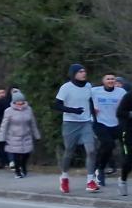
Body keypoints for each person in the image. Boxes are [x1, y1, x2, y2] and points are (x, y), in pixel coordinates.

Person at [53, 63, 99, 194]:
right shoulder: (66, 87)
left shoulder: (88, 86)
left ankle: (90, 180)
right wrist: (73, 110)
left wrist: (94, 118)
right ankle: (64, 177)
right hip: (70, 123)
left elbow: (90, 101)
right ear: (73, 74)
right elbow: (57, 105)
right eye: (80, 72)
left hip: (86, 122)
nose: (83, 73)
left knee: (91, 150)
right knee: (69, 151)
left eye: (84, 71)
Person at [90, 73, 126, 187]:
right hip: (99, 122)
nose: (110, 80)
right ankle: (99, 170)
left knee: (110, 147)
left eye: (112, 79)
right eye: (108, 79)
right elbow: (83, 100)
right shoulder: (95, 91)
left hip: (115, 123)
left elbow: (127, 105)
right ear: (103, 81)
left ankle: (98, 166)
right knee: (108, 143)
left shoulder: (121, 92)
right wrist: (91, 109)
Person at [0, 90, 40, 178]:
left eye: (21, 101)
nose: (20, 103)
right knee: (16, 155)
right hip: (13, 136)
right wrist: (1, 138)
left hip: (26, 135)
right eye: (18, 101)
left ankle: (23, 166)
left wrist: (37, 135)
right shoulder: (8, 111)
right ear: (14, 101)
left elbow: (33, 123)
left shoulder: (28, 109)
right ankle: (17, 171)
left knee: (26, 154)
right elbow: (4, 125)